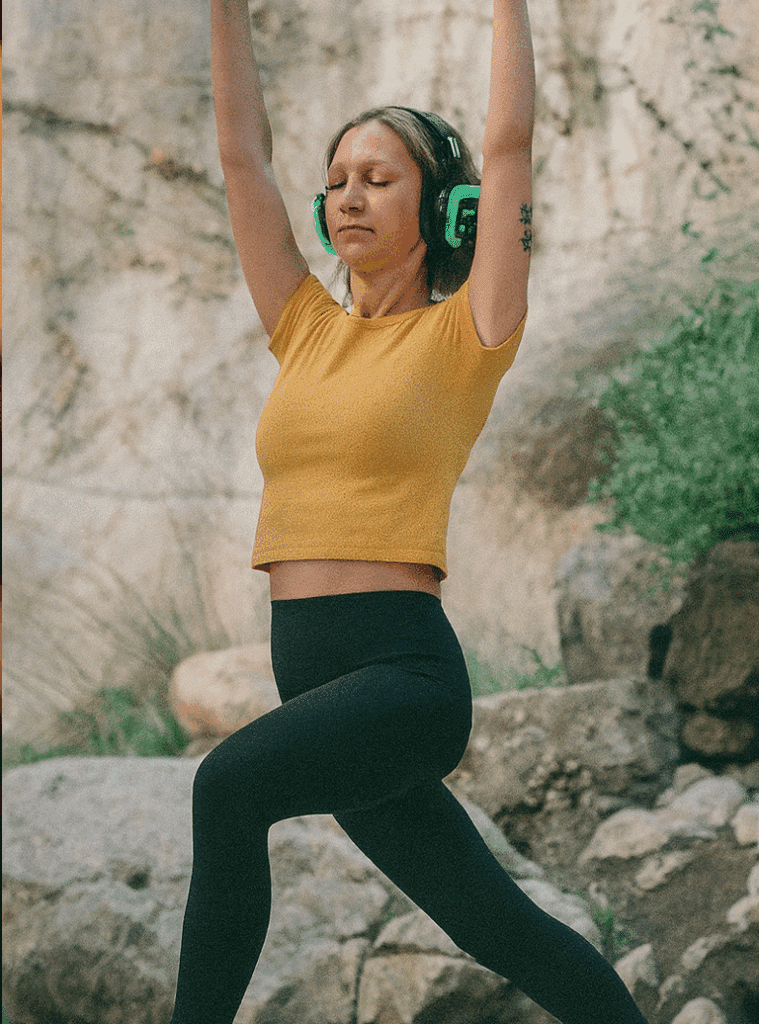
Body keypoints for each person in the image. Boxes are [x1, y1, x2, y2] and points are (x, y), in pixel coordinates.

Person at [169, 2, 651, 1022]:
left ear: (442, 210)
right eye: (338, 180)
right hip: (323, 683)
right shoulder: (305, 327)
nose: (350, 195)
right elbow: (241, 159)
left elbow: (512, 144)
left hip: (404, 679)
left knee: (226, 790)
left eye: (379, 179)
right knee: (499, 923)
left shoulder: (467, 330)